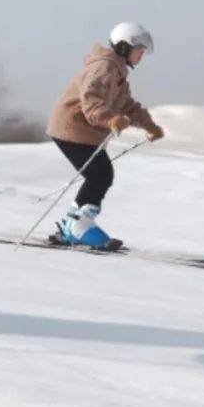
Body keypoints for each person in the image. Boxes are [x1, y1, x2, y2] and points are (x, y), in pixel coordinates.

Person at [45, 22, 164, 250]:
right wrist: (110, 119)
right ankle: (78, 228)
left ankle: (75, 224)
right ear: (123, 47)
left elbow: (127, 105)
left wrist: (149, 125)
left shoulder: (117, 72)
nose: (141, 56)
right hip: (71, 129)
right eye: (139, 51)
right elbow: (91, 100)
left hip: (83, 132)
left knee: (100, 175)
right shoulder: (103, 68)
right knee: (100, 175)